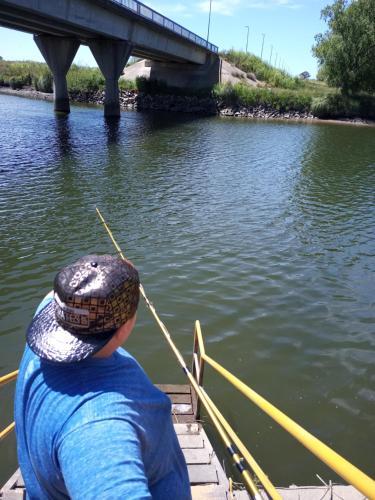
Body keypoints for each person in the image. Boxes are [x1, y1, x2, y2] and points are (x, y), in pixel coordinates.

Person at [14, 254, 192, 500]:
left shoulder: (52, 308)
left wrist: (115, 271)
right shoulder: (97, 426)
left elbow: (80, 287)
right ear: (126, 325)